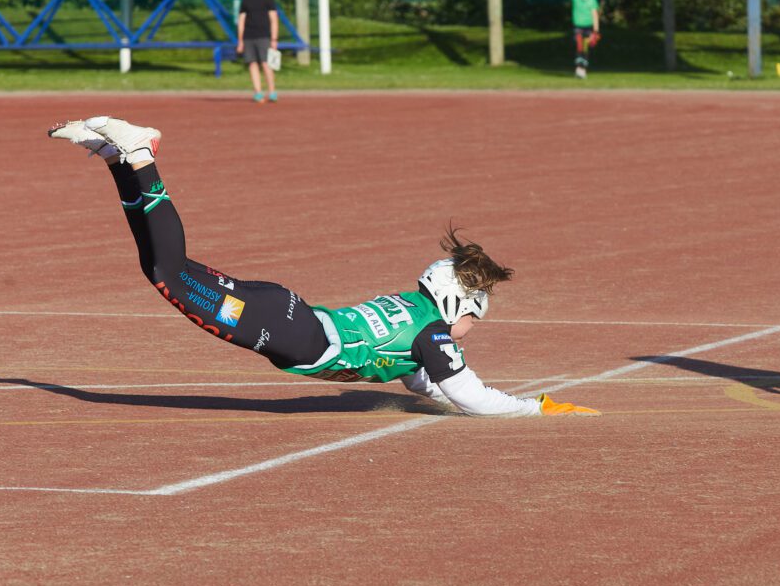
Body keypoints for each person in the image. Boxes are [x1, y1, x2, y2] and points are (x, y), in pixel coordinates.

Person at [47, 117, 602, 418]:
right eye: (475, 318)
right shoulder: (433, 333)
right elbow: (471, 397)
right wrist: (538, 408)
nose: (469, 331)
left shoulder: (415, 322)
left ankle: (120, 159)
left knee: (164, 266)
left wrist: (433, 392)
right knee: (167, 272)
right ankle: (139, 153)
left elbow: (426, 384)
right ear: (459, 303)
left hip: (287, 313)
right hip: (288, 327)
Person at [236, 0, 278, 103]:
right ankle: (258, 92)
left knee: (266, 64)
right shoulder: (246, 0)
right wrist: (240, 41)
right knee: (252, 63)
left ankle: (272, 91)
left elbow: (273, 19)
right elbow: (241, 20)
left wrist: (274, 38)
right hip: (249, 36)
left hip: (263, 36)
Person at [561, 0, 600, 79]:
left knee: (585, 48)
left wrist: (596, 31)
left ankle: (583, 69)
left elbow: (595, 15)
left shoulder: (592, 0)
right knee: (579, 46)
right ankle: (578, 68)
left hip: (588, 27)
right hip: (578, 27)